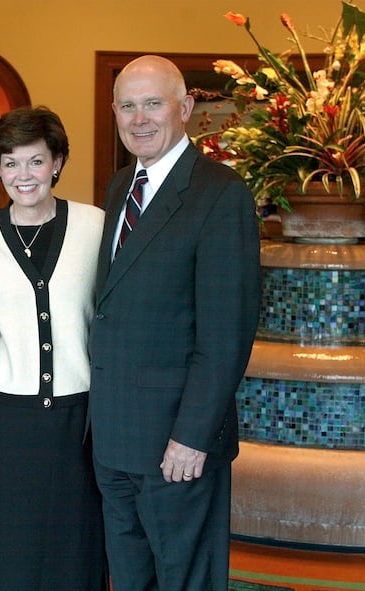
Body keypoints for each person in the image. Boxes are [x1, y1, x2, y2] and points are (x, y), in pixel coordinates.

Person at [88, 55, 261, 590]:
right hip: (114, 438)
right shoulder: (121, 185)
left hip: (175, 446)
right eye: (127, 105)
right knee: (131, 578)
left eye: (153, 103)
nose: (139, 118)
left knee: (186, 581)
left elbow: (226, 333)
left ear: (185, 108)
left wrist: (191, 437)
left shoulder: (220, 193)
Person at [0, 106, 106, 590]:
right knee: (12, 549)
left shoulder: (95, 226)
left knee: (78, 545)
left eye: (36, 161)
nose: (24, 175)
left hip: (79, 418)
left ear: (58, 161)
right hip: (8, 420)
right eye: (11, 162)